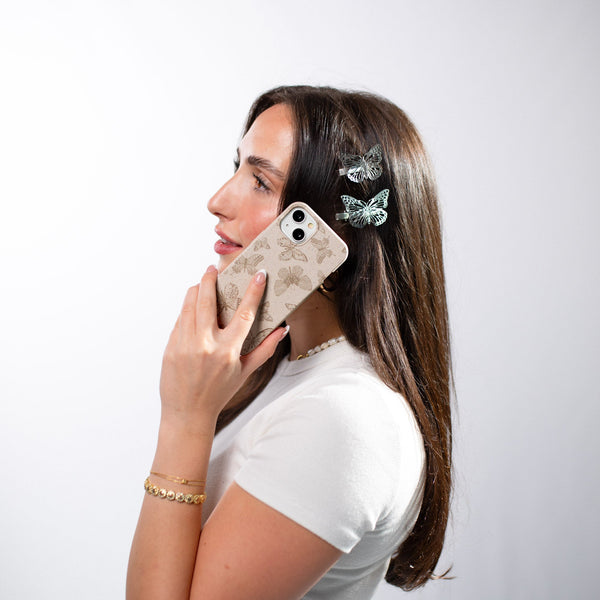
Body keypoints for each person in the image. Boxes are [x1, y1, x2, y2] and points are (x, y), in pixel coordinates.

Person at [127, 85, 452, 599]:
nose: (218, 201)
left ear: (334, 230)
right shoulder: (284, 369)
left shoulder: (347, 418)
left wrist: (185, 419)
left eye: (260, 181)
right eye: (238, 168)